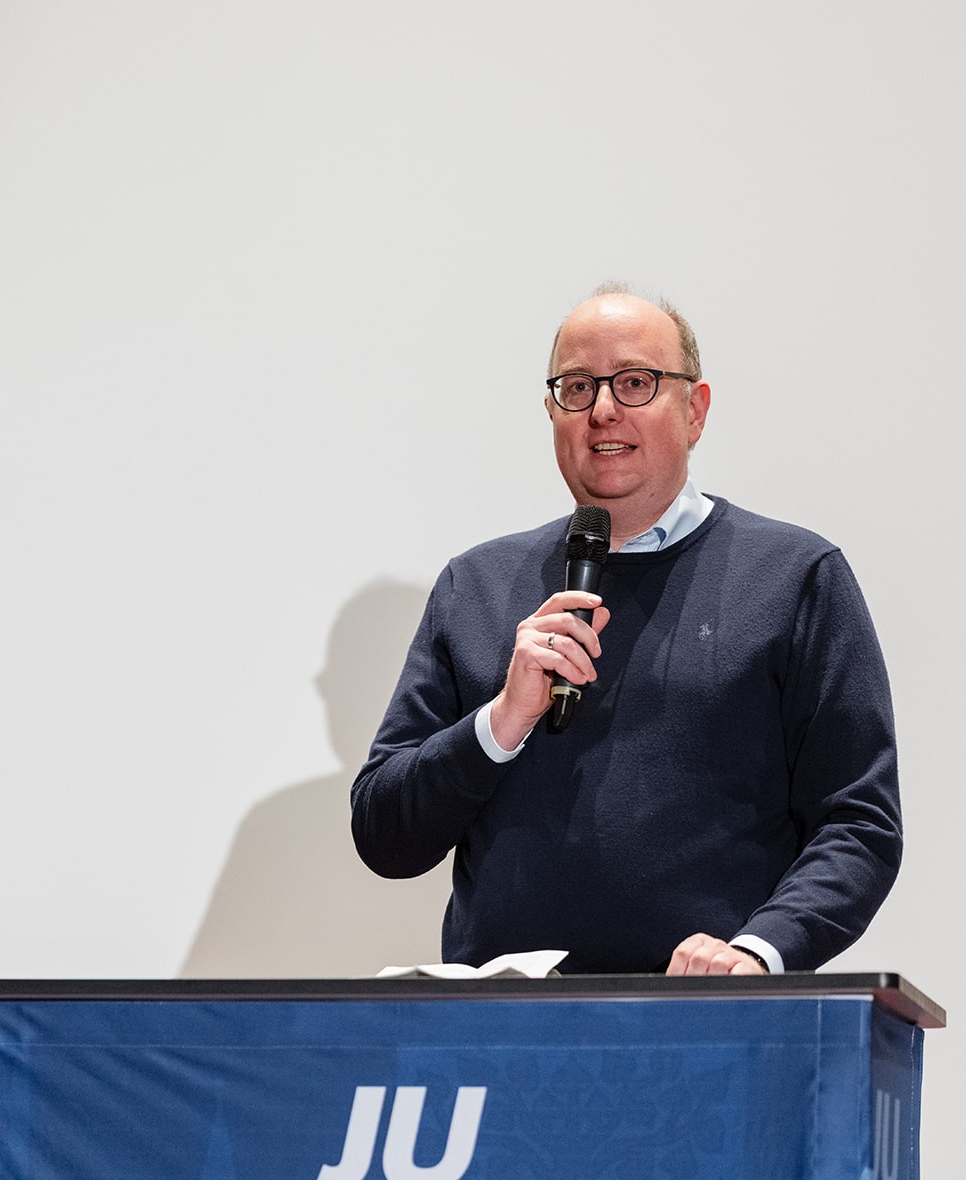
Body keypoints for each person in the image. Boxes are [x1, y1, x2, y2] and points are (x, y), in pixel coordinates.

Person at [350, 285, 902, 975]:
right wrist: (500, 721)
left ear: (694, 410)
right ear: (551, 412)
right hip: (505, 1022)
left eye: (635, 382)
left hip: (707, 1015)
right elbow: (384, 837)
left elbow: (858, 824)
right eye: (577, 387)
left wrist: (759, 953)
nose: (603, 410)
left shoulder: (794, 577)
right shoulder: (477, 586)